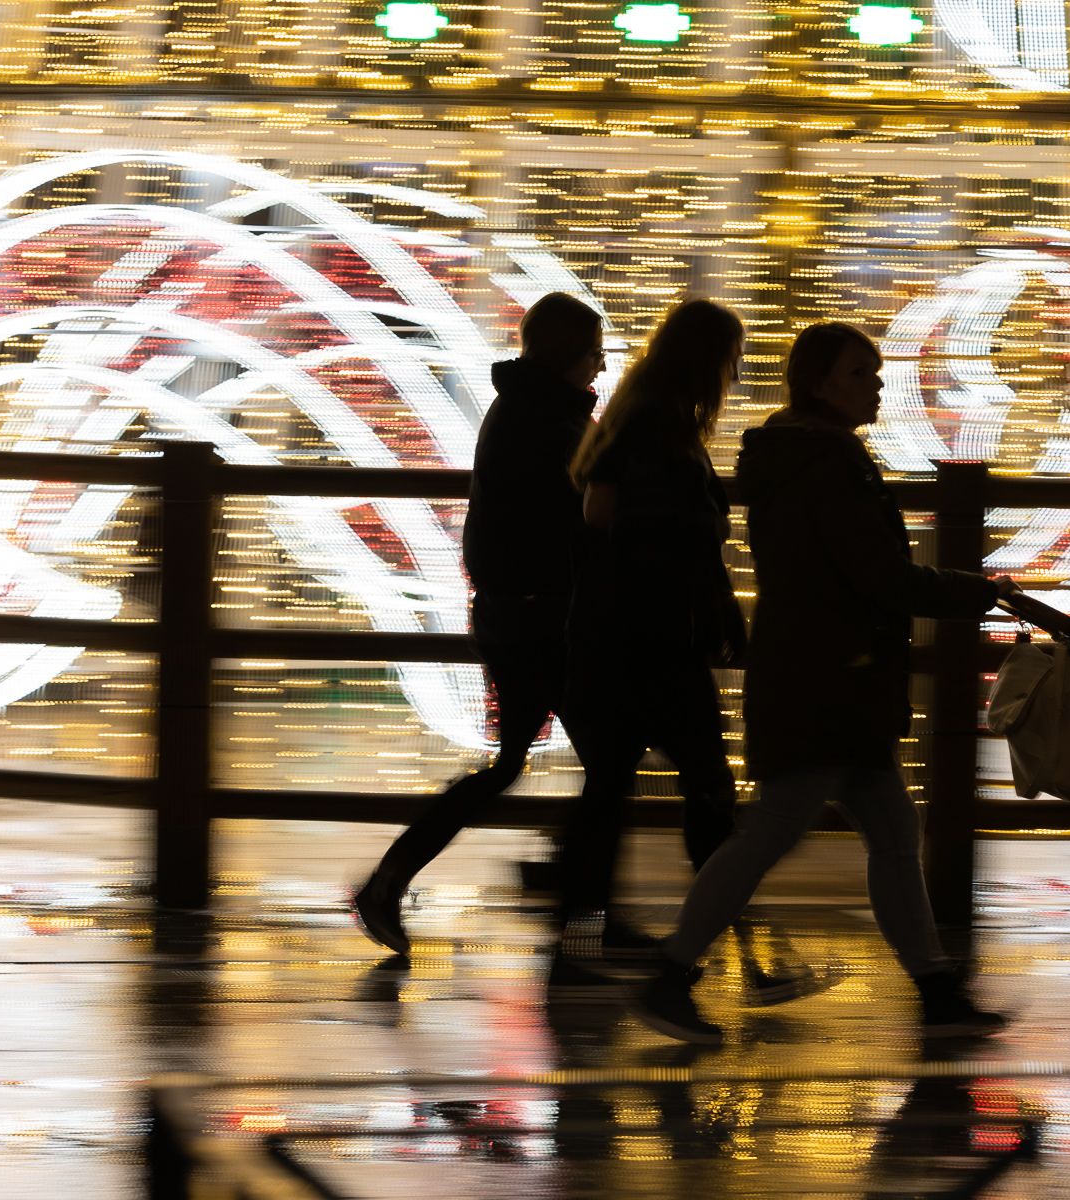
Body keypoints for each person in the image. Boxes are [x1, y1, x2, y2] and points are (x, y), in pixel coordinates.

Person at [634, 321, 1013, 1045]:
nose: (874, 387)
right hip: (830, 680)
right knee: (775, 831)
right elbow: (876, 576)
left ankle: (936, 991)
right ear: (819, 384)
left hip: (817, 674)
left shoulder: (796, 455)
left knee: (888, 831)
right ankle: (671, 974)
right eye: (859, 376)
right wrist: (969, 590)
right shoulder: (829, 464)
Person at [555, 298, 808, 994]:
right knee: (706, 787)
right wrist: (712, 603)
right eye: (730, 358)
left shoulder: (644, 419)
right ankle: (736, 948)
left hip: (624, 637)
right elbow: (652, 528)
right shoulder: (659, 427)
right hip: (652, 641)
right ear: (708, 360)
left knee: (619, 789)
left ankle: (585, 940)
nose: (732, 373)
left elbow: (606, 514)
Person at [353, 292, 606, 956]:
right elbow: (572, 521)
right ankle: (575, 900)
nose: (601, 368)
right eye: (593, 354)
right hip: (543, 618)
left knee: (519, 763)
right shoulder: (548, 420)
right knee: (603, 759)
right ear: (570, 358)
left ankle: (395, 880)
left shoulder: (524, 409)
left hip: (519, 614)